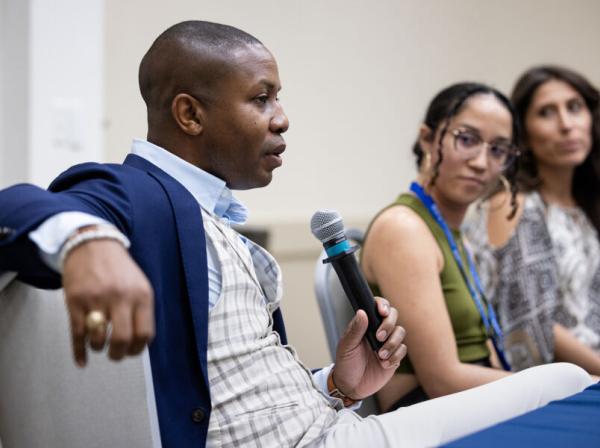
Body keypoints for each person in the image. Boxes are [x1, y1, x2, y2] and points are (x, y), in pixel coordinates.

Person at [0, 22, 593, 448]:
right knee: (568, 382)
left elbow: (244, 387)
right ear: (189, 114)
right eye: (262, 99)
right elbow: (18, 207)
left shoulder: (211, 216)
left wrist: (336, 384)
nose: (282, 117)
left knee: (565, 384)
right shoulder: (142, 193)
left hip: (335, 421)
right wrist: (88, 244)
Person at [361, 82, 528, 411]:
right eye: (467, 139)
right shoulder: (404, 228)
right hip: (429, 410)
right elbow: (442, 379)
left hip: (470, 399)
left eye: (498, 150)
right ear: (427, 138)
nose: (481, 162)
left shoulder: (453, 232)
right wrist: (548, 384)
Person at [464, 66, 600, 374]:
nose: (566, 125)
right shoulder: (513, 204)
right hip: (548, 382)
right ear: (522, 134)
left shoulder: (585, 205)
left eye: (574, 107)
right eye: (546, 113)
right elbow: (534, 324)